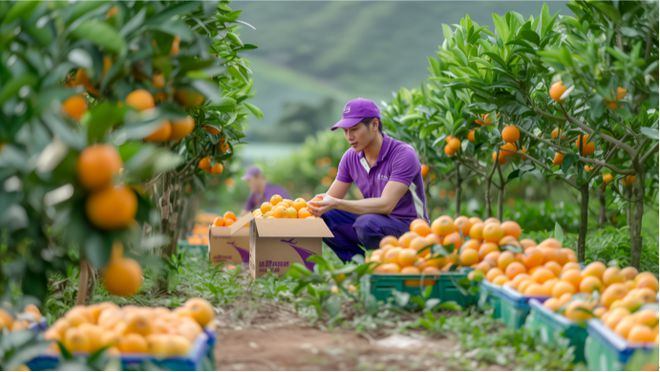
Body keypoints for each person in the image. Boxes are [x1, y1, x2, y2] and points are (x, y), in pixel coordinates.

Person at [307, 98, 428, 262]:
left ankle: (388, 264)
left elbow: (386, 205)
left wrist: (336, 203)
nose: (349, 137)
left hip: (411, 228)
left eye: (355, 129)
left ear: (374, 125)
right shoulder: (351, 157)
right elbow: (328, 200)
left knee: (366, 223)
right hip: (377, 222)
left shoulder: (403, 154)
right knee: (325, 216)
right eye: (345, 131)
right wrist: (308, 209)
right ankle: (357, 265)